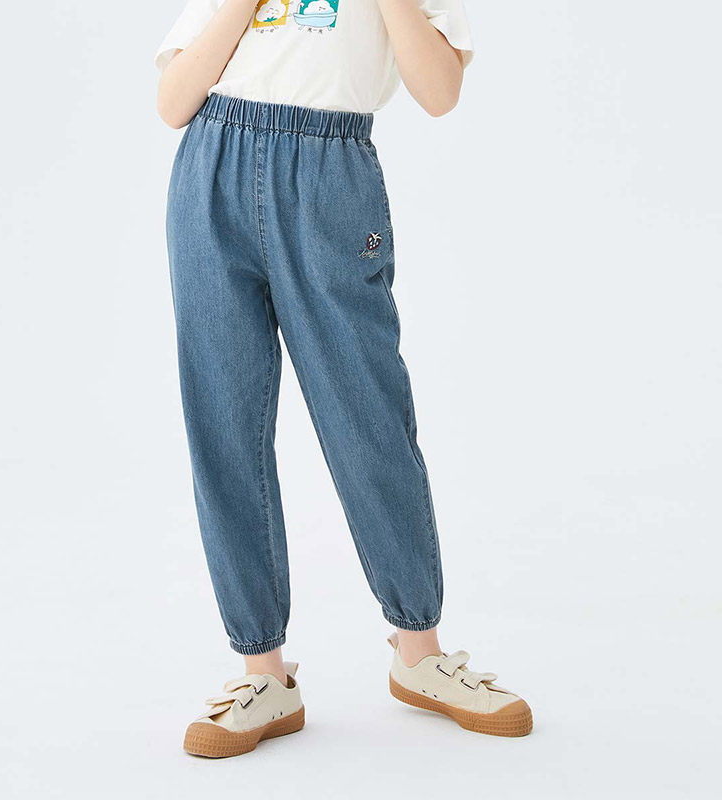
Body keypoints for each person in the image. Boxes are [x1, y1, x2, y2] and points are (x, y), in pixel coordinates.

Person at [156, 0, 532, 757]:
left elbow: (440, 92)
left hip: (328, 175)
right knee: (224, 422)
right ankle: (262, 673)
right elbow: (172, 103)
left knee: (368, 415)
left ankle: (419, 653)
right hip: (211, 166)